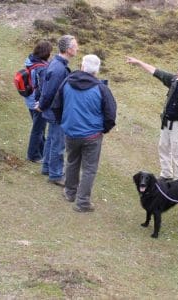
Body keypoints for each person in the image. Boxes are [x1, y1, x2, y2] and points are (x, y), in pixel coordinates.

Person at [52, 54, 117, 212]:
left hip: (71, 133)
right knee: (89, 169)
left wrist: (65, 123)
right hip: (92, 136)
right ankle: (82, 202)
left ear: (82, 66)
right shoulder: (101, 88)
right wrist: (103, 129)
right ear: (96, 71)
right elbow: (110, 114)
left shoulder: (67, 82)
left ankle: (69, 192)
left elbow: (56, 106)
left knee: (72, 162)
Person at [126, 56, 178, 180]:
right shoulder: (174, 80)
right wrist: (139, 62)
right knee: (163, 148)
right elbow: (156, 71)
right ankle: (166, 175)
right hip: (166, 123)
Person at [37, 35, 78, 187]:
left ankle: (47, 167)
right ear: (68, 49)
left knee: (51, 140)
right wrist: (42, 105)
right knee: (58, 144)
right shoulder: (59, 68)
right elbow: (49, 92)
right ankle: (55, 174)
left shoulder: (56, 64)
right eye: (75, 46)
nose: (77, 48)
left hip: (52, 110)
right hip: (56, 111)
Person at [23, 40, 52, 163]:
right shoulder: (41, 69)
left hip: (30, 99)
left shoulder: (30, 61)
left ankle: (42, 151)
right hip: (37, 103)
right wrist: (42, 103)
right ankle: (33, 155)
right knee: (38, 129)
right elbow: (42, 88)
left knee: (39, 127)